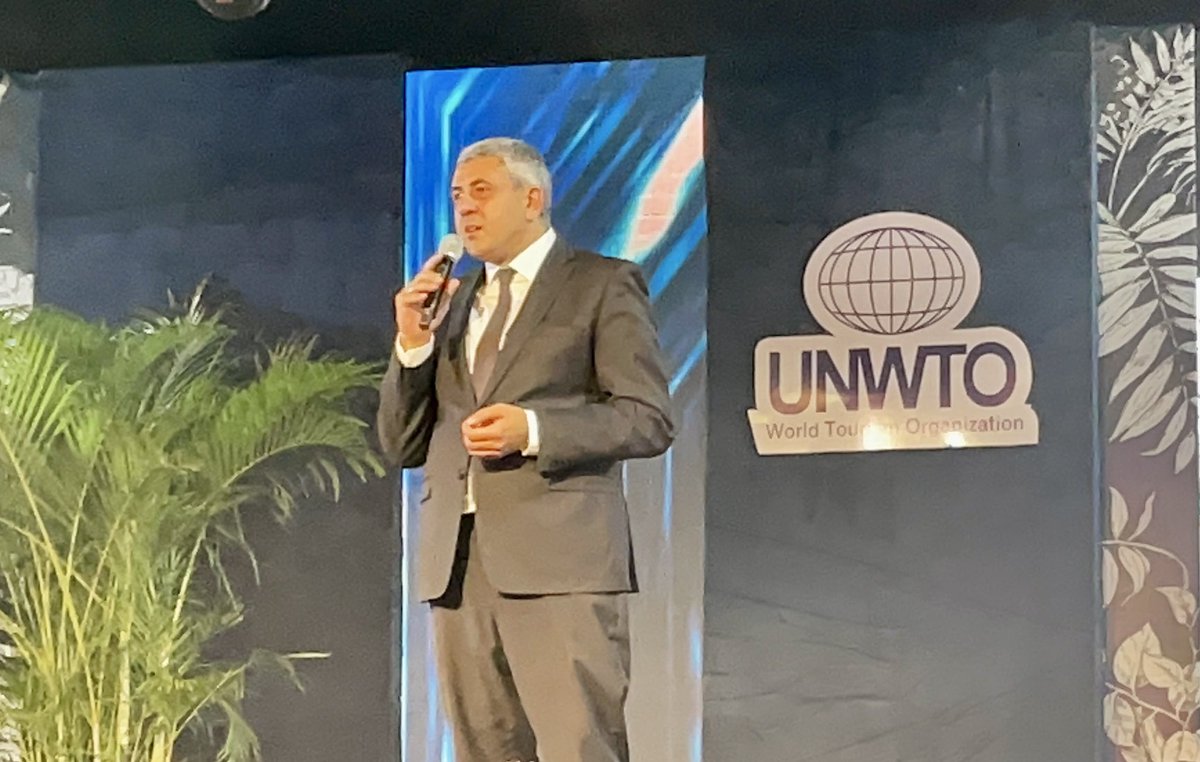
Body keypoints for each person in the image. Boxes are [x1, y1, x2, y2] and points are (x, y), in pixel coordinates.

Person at [377, 137, 675, 762]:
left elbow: (647, 419)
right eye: (458, 196)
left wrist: (534, 430)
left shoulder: (600, 284)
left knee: (578, 748)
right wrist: (413, 344)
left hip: (560, 563)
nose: (465, 208)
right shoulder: (450, 303)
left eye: (481, 191)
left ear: (533, 198)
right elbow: (402, 443)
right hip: (458, 568)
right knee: (484, 750)